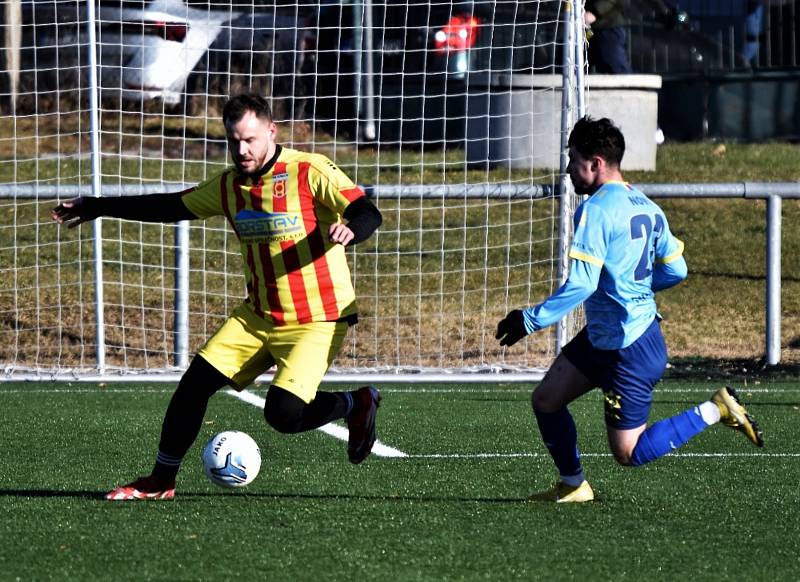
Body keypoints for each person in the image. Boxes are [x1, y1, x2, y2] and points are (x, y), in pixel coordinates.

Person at [52, 93, 384, 501]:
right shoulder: (229, 186)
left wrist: (353, 228)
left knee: (282, 415)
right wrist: (98, 206)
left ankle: (356, 403)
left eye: (250, 140)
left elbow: (367, 210)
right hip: (258, 316)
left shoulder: (309, 170)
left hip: (316, 319)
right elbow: (170, 205)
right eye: (233, 141)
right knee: (192, 387)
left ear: (271, 131)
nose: (242, 150)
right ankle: (161, 481)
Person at [495, 116, 763, 503]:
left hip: (630, 347)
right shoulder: (648, 206)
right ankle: (574, 484)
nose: (569, 169)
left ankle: (715, 409)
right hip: (605, 336)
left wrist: (529, 319)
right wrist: (633, 288)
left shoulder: (597, 210)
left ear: (596, 163)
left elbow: (584, 284)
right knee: (546, 400)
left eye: (574, 160)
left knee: (629, 452)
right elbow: (677, 268)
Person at [585, 0, 633, 74]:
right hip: (587, 29)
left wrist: (595, 12)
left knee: (615, 66)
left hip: (607, 27)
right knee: (572, 64)